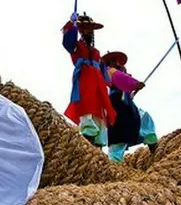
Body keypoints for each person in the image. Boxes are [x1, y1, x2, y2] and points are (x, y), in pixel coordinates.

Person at [61, 12, 144, 147]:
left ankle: (98, 144)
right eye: (85, 28)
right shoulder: (77, 46)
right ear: (81, 30)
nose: (89, 31)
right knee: (86, 107)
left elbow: (112, 76)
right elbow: (68, 43)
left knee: (100, 112)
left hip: (99, 84)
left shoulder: (96, 53)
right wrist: (71, 24)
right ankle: (88, 140)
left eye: (91, 28)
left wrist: (128, 88)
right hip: (85, 79)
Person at [101, 51, 159, 162]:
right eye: (114, 61)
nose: (118, 64)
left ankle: (154, 150)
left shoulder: (118, 74)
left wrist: (132, 89)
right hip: (118, 105)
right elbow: (120, 78)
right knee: (118, 135)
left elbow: (123, 82)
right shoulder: (110, 72)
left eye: (118, 61)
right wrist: (135, 84)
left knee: (143, 119)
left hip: (125, 105)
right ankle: (114, 166)